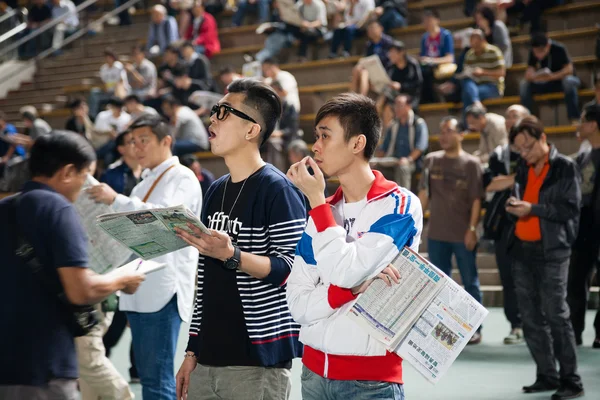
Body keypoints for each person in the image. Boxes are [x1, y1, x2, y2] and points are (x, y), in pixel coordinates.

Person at [174, 79, 307, 400]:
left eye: (224, 112)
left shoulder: (278, 190)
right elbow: (205, 281)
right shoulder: (216, 189)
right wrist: (192, 352)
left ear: (251, 130)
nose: (212, 119)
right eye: (214, 112)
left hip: (256, 363)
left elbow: (292, 270)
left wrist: (233, 255)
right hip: (207, 360)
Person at [286, 92, 422, 399]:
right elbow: (296, 303)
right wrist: (350, 291)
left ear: (357, 144)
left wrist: (317, 202)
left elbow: (345, 271)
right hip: (312, 375)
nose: (315, 146)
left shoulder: (399, 206)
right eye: (315, 136)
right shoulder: (323, 213)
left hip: (370, 381)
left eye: (325, 136)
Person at [0, 131, 144, 399]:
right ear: (67, 172)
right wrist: (121, 280)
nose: (85, 185)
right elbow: (79, 290)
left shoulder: (5, 207)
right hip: (46, 364)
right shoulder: (59, 209)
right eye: (84, 175)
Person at [88, 114, 202, 400]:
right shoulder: (142, 184)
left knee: (157, 379)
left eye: (144, 140)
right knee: (150, 376)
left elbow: (163, 219)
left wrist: (116, 200)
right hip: (138, 287)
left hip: (163, 289)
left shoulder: (182, 176)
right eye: (133, 142)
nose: (137, 147)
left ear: (166, 141)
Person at [505, 115, 584, 399]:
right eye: (519, 150)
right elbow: (524, 196)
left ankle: (571, 380)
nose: (524, 154)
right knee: (529, 318)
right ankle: (546, 374)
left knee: (556, 314)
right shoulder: (524, 167)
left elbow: (570, 210)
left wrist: (533, 209)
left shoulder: (565, 167)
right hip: (522, 251)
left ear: (541, 137)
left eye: (527, 147)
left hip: (553, 252)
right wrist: (515, 206)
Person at [418, 116, 484, 345]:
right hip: (436, 234)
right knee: (438, 285)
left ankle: (475, 328)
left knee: (470, 281)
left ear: (460, 134)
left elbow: (477, 199)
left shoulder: (471, 164)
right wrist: (414, 224)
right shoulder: (431, 160)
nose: (443, 136)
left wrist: (472, 229)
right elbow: (425, 193)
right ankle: (442, 328)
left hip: (462, 233)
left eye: (448, 131)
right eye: (441, 131)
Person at [483, 104, 529, 346]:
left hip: (532, 222)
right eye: (508, 116)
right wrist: (516, 179)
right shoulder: (499, 153)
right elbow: (489, 185)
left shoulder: (535, 154)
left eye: (516, 116)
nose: (511, 121)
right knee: (508, 276)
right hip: (504, 225)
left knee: (532, 277)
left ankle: (535, 324)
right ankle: (516, 324)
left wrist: (508, 181)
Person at [568, 104, 600, 349]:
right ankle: (574, 331)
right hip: (583, 228)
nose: (579, 124)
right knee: (576, 280)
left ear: (592, 124)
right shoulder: (583, 156)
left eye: (582, 120)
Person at [519, 32, 581, 125]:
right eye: (535, 52)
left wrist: (552, 76)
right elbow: (528, 73)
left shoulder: (559, 49)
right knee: (524, 85)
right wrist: (536, 76)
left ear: (548, 45)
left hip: (559, 81)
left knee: (568, 81)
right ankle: (529, 120)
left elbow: (569, 70)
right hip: (545, 83)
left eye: (540, 51)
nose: (537, 55)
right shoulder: (533, 53)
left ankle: (574, 118)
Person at [372, 94, 429, 190]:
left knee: (403, 168)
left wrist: (408, 159)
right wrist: (376, 160)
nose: (396, 108)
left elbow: (420, 147)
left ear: (408, 106)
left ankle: (403, 200)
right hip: (393, 160)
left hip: (413, 162)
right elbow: (384, 148)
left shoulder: (419, 123)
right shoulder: (393, 125)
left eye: (400, 105)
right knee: (371, 166)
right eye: (395, 105)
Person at [460, 29, 505, 113]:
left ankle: (467, 123)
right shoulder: (470, 54)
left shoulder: (494, 51)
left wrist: (482, 72)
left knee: (467, 95)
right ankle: (476, 102)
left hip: (493, 87)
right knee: (466, 81)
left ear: (483, 41)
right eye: (473, 44)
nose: (475, 47)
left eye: (477, 44)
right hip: (474, 85)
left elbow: (501, 73)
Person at [419, 8, 455, 104]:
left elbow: (450, 58)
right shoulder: (424, 38)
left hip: (442, 66)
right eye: (425, 21)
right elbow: (423, 57)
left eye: (429, 20)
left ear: (437, 20)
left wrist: (432, 61)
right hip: (428, 67)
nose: (427, 23)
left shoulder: (445, 35)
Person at [351, 20, 394, 96]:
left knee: (364, 72)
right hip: (372, 71)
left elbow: (391, 60)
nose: (370, 31)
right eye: (369, 30)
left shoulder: (388, 42)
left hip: (385, 71)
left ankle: (361, 97)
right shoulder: (369, 45)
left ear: (381, 28)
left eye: (373, 28)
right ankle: (353, 96)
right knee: (358, 69)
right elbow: (366, 58)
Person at [88, 48, 129, 118]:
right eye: (106, 57)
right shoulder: (103, 68)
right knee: (94, 92)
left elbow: (120, 82)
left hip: (118, 92)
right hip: (108, 92)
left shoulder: (119, 66)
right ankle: (93, 116)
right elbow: (104, 83)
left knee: (118, 91)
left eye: (110, 57)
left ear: (113, 57)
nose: (108, 59)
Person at [383, 40, 422, 109]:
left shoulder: (412, 65)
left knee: (400, 102)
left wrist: (401, 86)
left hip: (411, 95)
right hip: (394, 95)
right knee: (384, 102)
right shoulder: (390, 67)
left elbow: (418, 83)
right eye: (390, 52)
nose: (390, 55)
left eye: (393, 52)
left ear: (401, 52)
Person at [92, 97, 131, 166]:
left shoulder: (127, 118)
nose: (118, 110)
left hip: (121, 144)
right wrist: (107, 133)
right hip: (104, 143)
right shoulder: (102, 116)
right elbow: (96, 131)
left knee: (113, 145)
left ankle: (95, 155)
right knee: (109, 156)